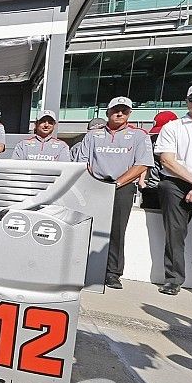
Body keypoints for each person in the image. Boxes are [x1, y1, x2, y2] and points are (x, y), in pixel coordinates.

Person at [75, 96, 153, 290]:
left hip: (123, 186)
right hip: (95, 184)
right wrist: (94, 182)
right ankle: (85, 267)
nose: (119, 113)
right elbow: (83, 161)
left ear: (129, 113)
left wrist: (118, 183)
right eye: (116, 110)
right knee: (88, 227)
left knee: (117, 231)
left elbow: (142, 164)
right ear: (107, 112)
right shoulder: (93, 135)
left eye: (124, 111)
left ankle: (113, 273)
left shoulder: (139, 136)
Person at [153, 83, 192, 295]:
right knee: (175, 232)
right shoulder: (172, 127)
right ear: (186, 101)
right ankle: (173, 279)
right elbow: (167, 161)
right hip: (177, 182)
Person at [140, 111, 178, 209]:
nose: (159, 137)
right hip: (154, 187)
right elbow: (145, 162)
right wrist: (142, 181)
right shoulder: (151, 140)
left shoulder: (182, 142)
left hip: (176, 188)